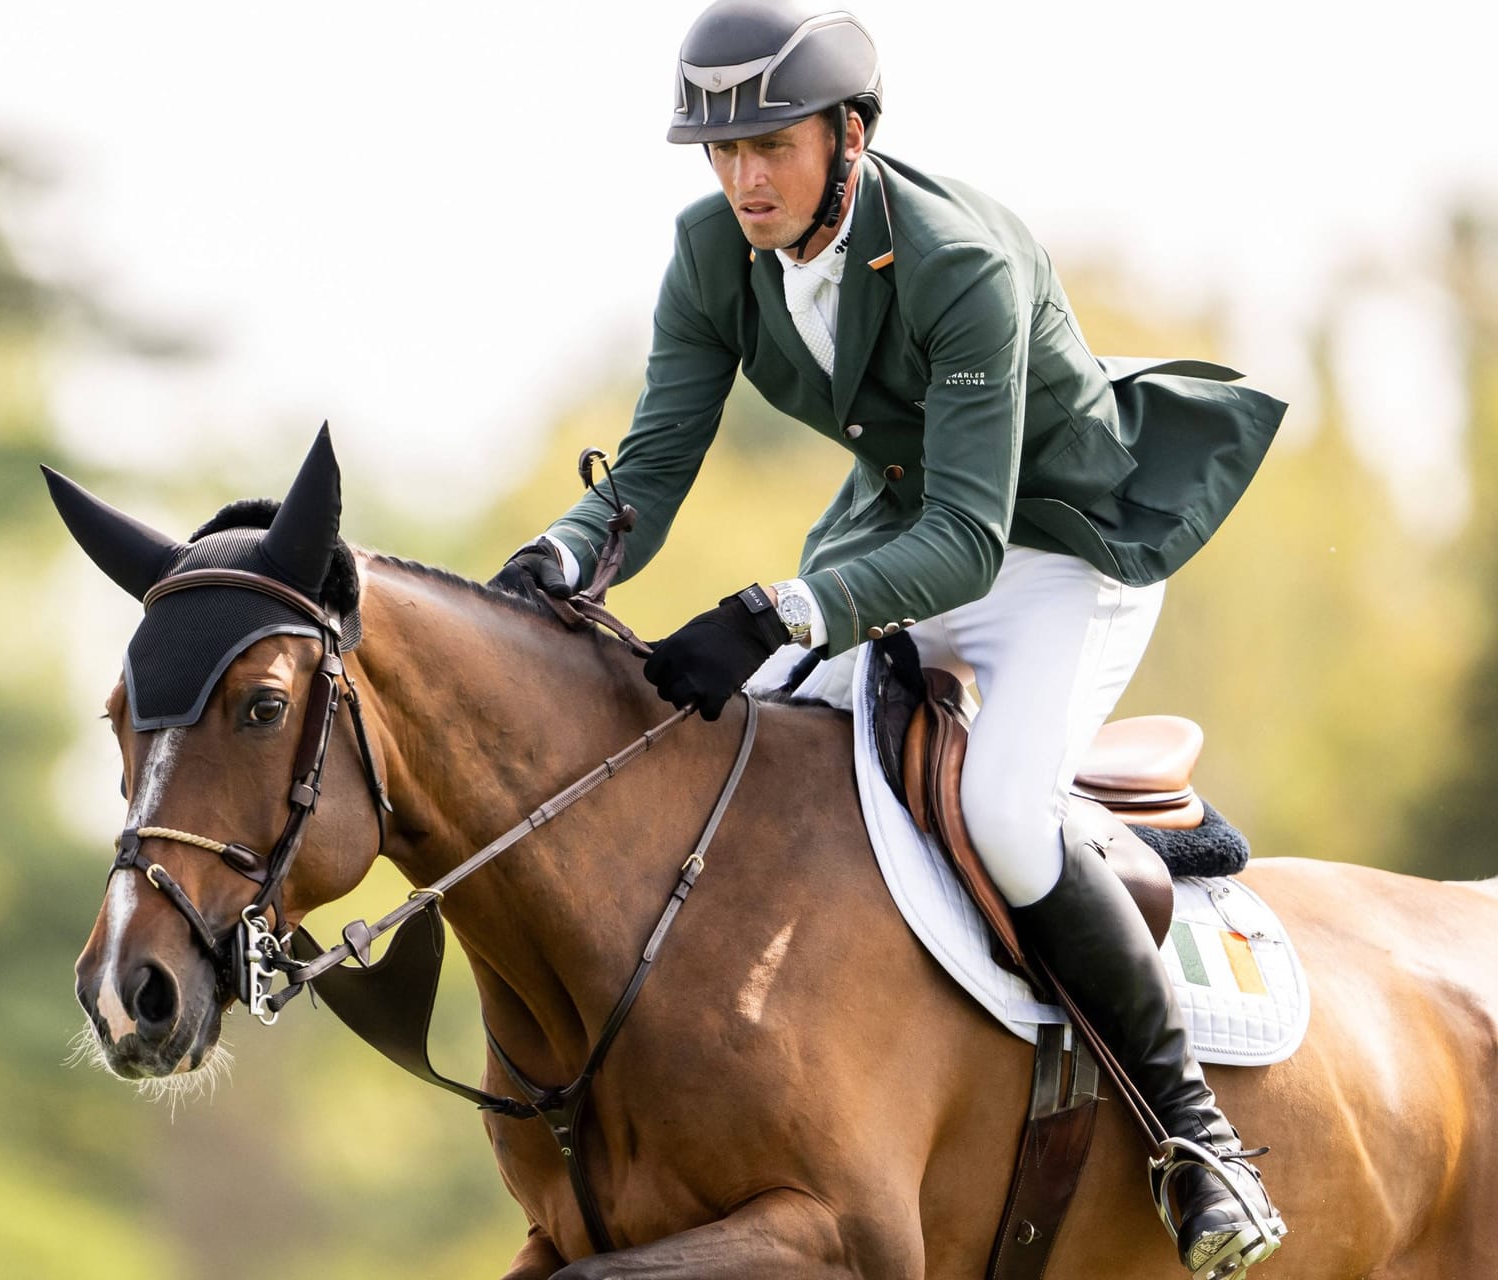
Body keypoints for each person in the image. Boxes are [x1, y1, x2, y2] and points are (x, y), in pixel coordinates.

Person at [487, 2, 1290, 1276]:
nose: (744, 179)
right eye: (722, 152)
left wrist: (777, 611)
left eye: (772, 145)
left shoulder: (957, 259)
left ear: (848, 134)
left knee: (1008, 814)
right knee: (767, 758)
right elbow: (652, 462)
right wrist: (569, 551)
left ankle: (1199, 1144)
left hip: (1050, 552)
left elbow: (974, 543)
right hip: (893, 533)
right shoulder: (713, 252)